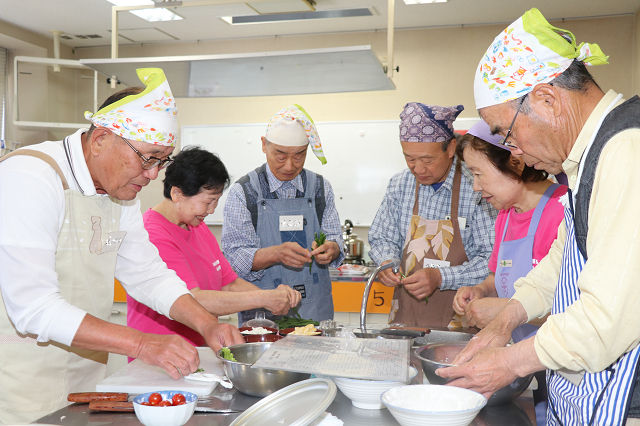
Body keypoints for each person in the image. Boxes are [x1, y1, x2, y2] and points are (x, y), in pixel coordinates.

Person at [0, 68, 243, 424]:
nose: (153, 175)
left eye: (162, 160)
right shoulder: (30, 178)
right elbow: (33, 306)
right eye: (147, 158)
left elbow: (147, 274)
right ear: (100, 140)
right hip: (20, 379)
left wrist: (206, 323)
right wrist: (143, 343)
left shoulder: (120, 195)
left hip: (86, 372)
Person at [437, 8, 640, 425]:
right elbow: (561, 263)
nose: (512, 152)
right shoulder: (590, 160)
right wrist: (507, 318)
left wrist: (510, 362)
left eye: (507, 132)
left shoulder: (627, 151)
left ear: (547, 99)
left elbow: (606, 322)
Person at [453, 119, 567, 425]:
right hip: (520, 365)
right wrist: (481, 290)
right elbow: (498, 276)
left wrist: (503, 310)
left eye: (477, 174)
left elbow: (576, 307)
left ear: (514, 163)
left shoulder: (561, 210)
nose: (476, 187)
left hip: (558, 365)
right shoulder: (505, 214)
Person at [127, 146, 302, 347]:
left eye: (216, 201)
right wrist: (264, 298)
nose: (211, 210)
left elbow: (230, 283)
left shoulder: (197, 225)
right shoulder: (153, 233)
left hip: (201, 349)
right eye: (208, 201)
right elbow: (191, 300)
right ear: (177, 193)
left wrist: (273, 299)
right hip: (161, 353)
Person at [368, 103, 497, 328]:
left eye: (427, 160)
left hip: (462, 320)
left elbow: (491, 260)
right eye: (409, 159)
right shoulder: (400, 184)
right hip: (407, 319)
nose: (418, 169)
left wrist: (440, 277)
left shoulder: (476, 185)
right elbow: (382, 238)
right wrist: (387, 262)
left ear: (450, 148)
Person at [222, 105, 344, 324]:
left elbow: (334, 238)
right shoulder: (245, 192)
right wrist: (275, 254)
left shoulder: (320, 188)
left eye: (299, 156)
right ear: (263, 145)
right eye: (280, 155)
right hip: (262, 312)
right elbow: (234, 259)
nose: (289, 166)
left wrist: (332, 250)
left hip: (315, 307)